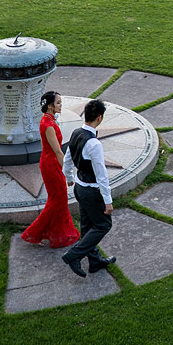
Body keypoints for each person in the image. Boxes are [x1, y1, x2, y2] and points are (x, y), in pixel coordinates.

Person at [61, 99, 116, 277]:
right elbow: (101, 175)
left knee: (87, 226)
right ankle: (74, 255)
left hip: (79, 188)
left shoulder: (76, 133)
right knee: (103, 224)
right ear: (99, 117)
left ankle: (94, 261)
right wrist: (108, 201)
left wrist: (69, 178)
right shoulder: (94, 144)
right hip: (92, 191)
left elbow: (67, 160)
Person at [20, 90, 80, 249]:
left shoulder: (48, 121)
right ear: (50, 105)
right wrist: (68, 174)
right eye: (58, 102)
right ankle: (35, 232)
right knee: (57, 200)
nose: (61, 105)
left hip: (50, 162)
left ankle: (54, 232)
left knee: (58, 200)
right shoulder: (48, 125)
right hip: (51, 165)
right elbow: (58, 151)